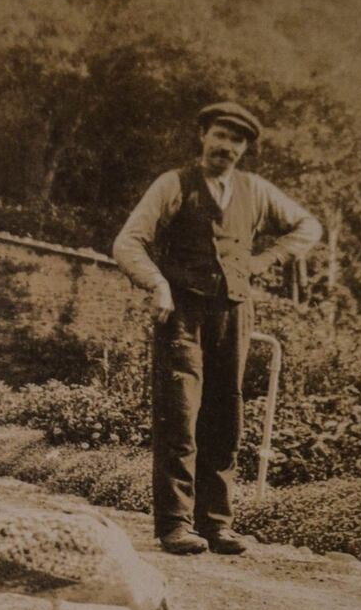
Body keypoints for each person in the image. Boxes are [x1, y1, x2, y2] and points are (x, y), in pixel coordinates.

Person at [113, 100, 322, 555]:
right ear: (203, 135)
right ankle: (174, 524)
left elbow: (309, 227)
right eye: (220, 135)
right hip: (182, 311)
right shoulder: (174, 184)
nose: (226, 146)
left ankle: (216, 523)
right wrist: (157, 285)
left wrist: (266, 259)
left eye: (236, 140)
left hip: (233, 312)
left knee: (225, 415)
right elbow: (128, 241)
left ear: (244, 148)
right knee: (181, 414)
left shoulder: (256, 191)